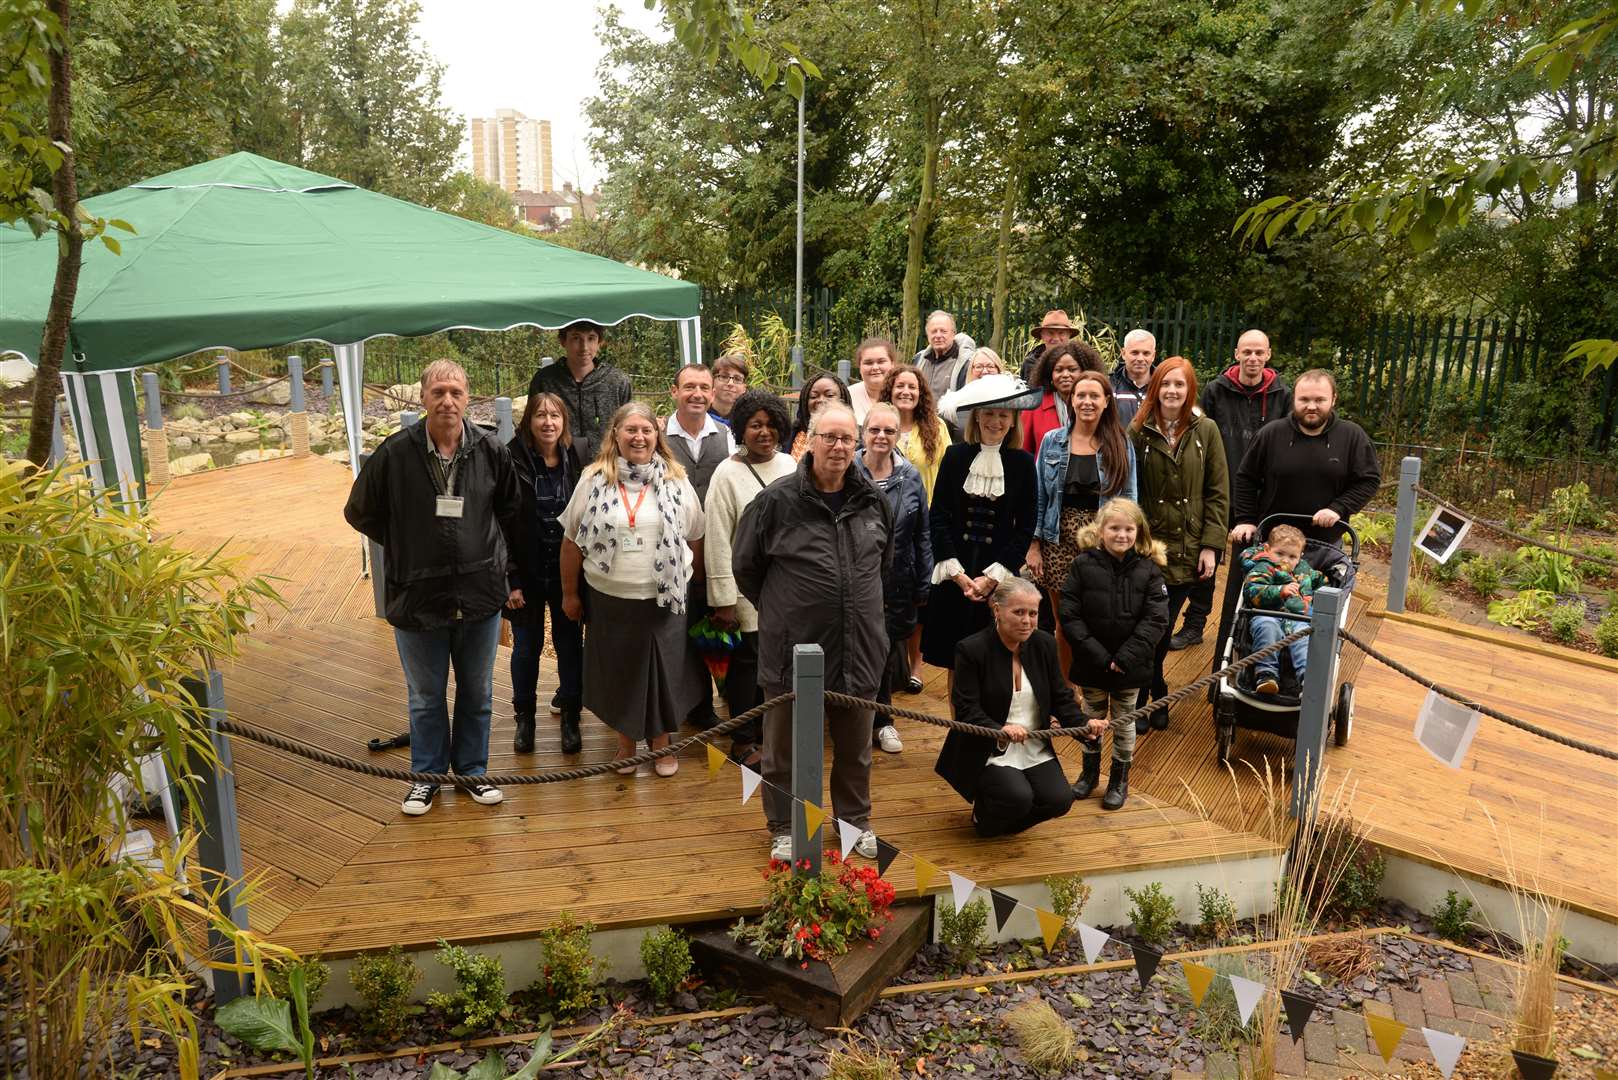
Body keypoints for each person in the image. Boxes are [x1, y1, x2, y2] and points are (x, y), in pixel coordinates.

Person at [343, 359, 520, 816]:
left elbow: (509, 507)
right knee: (425, 695)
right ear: (422, 397)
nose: (447, 401)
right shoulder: (395, 453)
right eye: (438, 392)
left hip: (479, 592)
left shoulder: (489, 449)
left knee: (477, 692)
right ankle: (426, 778)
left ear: (468, 398)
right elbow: (359, 511)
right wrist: (406, 544)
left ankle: (472, 773)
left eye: (456, 393)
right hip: (418, 594)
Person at [734, 403, 890, 862]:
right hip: (792, 647)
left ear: (856, 443)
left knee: (855, 747)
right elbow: (746, 567)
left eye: (846, 439)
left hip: (859, 645)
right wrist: (785, 610)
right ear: (808, 441)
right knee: (782, 747)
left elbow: (885, 562)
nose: (838, 447)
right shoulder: (777, 502)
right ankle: (785, 825)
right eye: (829, 437)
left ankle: (853, 821)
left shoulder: (873, 501)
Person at [558, 402, 706, 777]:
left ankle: (661, 743)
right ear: (616, 435)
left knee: (663, 671)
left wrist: (696, 584)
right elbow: (571, 541)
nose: (639, 437)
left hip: (664, 598)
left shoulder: (675, 479)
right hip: (610, 598)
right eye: (631, 430)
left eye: (647, 430)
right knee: (619, 671)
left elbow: (696, 534)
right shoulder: (593, 478)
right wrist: (570, 594)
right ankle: (625, 743)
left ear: (657, 437)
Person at [935, 578, 1107, 836]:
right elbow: (966, 709)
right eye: (1018, 612)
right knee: (1018, 797)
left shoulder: (1044, 645)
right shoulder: (971, 649)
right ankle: (985, 819)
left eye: (1033, 613)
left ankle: (999, 825)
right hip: (989, 746)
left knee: (1060, 800)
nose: (1027, 620)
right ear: (997, 611)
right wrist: (1000, 729)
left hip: (1032, 744)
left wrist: (1084, 724)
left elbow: (1061, 699)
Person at [923, 375, 1041, 694]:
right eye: (989, 413)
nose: (996, 421)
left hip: (999, 578)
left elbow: (1027, 524)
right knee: (957, 663)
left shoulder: (1023, 463)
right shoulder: (956, 456)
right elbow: (939, 516)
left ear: (1013, 420)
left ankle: (992, 738)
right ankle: (960, 734)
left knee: (998, 663)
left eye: (1004, 415)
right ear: (977, 416)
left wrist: (993, 577)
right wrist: (958, 575)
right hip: (956, 577)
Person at [1130, 357, 1228, 732]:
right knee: (1149, 625)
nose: (1172, 391)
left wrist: (1211, 545)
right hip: (1149, 547)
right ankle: (1152, 692)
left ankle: (1148, 693)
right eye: (1166, 384)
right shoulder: (1138, 431)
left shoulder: (1207, 431)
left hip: (1189, 548)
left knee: (1161, 625)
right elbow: (1129, 490)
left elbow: (1219, 492)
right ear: (1156, 388)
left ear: (1190, 390)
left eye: (1180, 384)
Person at [704, 389, 797, 768]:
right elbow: (717, 537)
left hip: (790, 589)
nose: (764, 432)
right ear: (742, 428)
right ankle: (743, 739)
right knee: (748, 666)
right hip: (745, 592)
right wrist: (723, 598)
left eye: (771, 424)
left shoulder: (793, 467)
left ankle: (773, 735)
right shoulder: (727, 473)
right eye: (755, 425)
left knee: (781, 666)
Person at [1027, 371, 1137, 685]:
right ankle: (1065, 688)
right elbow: (1039, 496)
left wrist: (1126, 545)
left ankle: (1091, 684)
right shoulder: (1052, 441)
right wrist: (1033, 545)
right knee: (1065, 621)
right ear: (1071, 400)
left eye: (1094, 396)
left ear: (1106, 402)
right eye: (1081, 396)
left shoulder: (1119, 443)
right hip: (1057, 539)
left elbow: (1129, 499)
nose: (1087, 402)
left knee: (1099, 618)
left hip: (1103, 541)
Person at [1059, 499, 1169, 811]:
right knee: (1092, 718)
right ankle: (1089, 772)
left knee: (1124, 722)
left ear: (1139, 532)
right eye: (1114, 528)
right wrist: (1096, 654)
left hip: (1128, 666)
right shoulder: (1082, 565)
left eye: (1128, 529)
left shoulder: (1149, 571)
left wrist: (1124, 658)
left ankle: (1119, 779)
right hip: (1092, 662)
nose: (1121, 534)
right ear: (1100, 530)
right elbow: (1070, 612)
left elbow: (1156, 619)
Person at [1187, 329, 1290, 651]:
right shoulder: (1216, 392)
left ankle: (1257, 628)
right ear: (1236, 353)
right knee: (1205, 562)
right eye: (1247, 352)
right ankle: (1194, 624)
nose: (1253, 358)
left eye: (1259, 352)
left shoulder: (1282, 395)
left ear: (1268, 355)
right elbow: (1201, 435)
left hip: (1265, 496)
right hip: (1220, 489)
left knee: (1264, 563)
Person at [503, 392, 585, 756]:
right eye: (540, 415)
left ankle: (570, 717)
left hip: (568, 571)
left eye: (555, 415)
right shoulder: (510, 457)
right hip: (527, 572)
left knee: (570, 647)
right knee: (525, 648)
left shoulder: (577, 455)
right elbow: (499, 521)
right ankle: (526, 720)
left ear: (564, 421)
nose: (548, 422)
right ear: (528, 421)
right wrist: (510, 579)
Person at [857, 401, 933, 749]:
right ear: (864, 431)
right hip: (853, 579)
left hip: (896, 580)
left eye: (889, 430)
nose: (882, 436)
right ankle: (851, 718)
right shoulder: (848, 470)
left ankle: (883, 720)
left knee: (887, 651)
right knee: (855, 649)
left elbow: (921, 532)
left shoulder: (909, 476)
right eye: (875, 429)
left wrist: (924, 579)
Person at [1230, 369, 1381, 546]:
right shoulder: (1270, 434)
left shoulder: (1352, 436)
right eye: (1304, 399)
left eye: (1319, 400)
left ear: (1333, 399)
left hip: (1325, 543)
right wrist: (1246, 520)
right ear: (1294, 398)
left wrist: (1338, 509)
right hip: (1272, 542)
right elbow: (1246, 478)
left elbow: (1369, 480)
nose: (1311, 406)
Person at [665, 364, 736, 730]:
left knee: (714, 627)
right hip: (670, 554)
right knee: (676, 630)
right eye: (689, 386)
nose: (697, 393)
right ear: (674, 390)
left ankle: (715, 700)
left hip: (716, 548)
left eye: (703, 387)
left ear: (712, 394)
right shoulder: (658, 435)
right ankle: (684, 704)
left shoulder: (725, 437)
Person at [527, 320, 634, 463]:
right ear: (563, 341)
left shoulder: (617, 381)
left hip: (607, 469)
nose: (584, 347)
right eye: (576, 338)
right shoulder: (545, 380)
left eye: (591, 338)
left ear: (599, 341)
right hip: (557, 470)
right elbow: (530, 427)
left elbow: (630, 427)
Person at [1239, 524, 1326, 695]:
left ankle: (1306, 680)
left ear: (1300, 557)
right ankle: (1266, 675)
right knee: (1266, 628)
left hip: (1298, 617)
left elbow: (1323, 582)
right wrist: (1280, 591)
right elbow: (1252, 591)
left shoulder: (1305, 572)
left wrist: (1325, 590)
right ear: (1267, 549)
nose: (1286, 560)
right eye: (1280, 554)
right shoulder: (1263, 567)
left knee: (1304, 637)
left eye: (1292, 556)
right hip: (1267, 613)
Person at [879, 363, 952, 501]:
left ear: (920, 393)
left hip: (927, 512)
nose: (906, 392)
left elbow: (949, 474)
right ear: (890, 391)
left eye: (912, 387)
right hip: (887, 513)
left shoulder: (937, 427)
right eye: (900, 386)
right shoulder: (878, 427)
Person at [1022, 341, 1104, 456]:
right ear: (1050, 374)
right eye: (1059, 370)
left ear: (1085, 372)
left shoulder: (1097, 405)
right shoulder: (1035, 406)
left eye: (1072, 369)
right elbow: (1023, 452)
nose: (1065, 375)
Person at [914, 310, 977, 415]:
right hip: (920, 423)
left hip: (951, 427)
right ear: (927, 335)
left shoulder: (966, 364)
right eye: (934, 331)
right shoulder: (918, 360)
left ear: (953, 334)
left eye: (943, 331)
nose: (938, 335)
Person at [939, 347, 1008, 430]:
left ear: (998, 370)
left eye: (990, 366)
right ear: (971, 371)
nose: (985, 371)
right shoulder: (953, 404)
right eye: (979, 367)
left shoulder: (1011, 401)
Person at [788, 373, 853, 460]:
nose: (821, 400)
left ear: (843, 399)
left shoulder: (855, 436)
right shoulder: (791, 434)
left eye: (829, 395)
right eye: (814, 396)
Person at [1111, 329, 1157, 428]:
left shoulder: (1163, 387)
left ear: (1153, 356)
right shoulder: (1110, 386)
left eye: (1146, 353)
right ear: (1123, 353)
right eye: (1135, 353)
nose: (1140, 358)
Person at [1019, 309, 1080, 382]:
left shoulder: (1080, 360)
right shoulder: (1030, 363)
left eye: (1061, 333)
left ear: (1069, 335)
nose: (1056, 338)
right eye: (1050, 333)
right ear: (1042, 335)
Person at [848, 337, 896, 426]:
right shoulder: (847, 396)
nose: (875, 368)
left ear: (892, 364)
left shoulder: (903, 394)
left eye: (881, 361)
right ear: (859, 367)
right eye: (868, 363)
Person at [710, 353, 751, 427]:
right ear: (712, 381)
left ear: (744, 387)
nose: (730, 383)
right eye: (724, 376)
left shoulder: (749, 420)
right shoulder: (699, 415)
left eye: (737, 379)